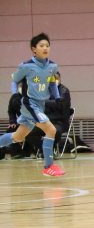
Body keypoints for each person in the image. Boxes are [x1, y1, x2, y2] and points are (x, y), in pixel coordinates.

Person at [0, 33, 66, 176]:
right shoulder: (26, 66)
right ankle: (48, 166)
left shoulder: (52, 66)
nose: (45, 48)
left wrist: (57, 97)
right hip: (29, 104)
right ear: (33, 49)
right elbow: (15, 80)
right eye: (41, 45)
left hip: (40, 104)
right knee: (51, 130)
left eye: (47, 45)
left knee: (18, 137)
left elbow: (52, 83)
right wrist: (14, 95)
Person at [26, 71, 71, 156]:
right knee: (27, 131)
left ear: (60, 79)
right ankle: (44, 149)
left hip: (59, 122)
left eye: (56, 78)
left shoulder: (64, 91)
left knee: (55, 131)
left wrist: (44, 102)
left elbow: (58, 104)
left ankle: (47, 151)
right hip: (45, 121)